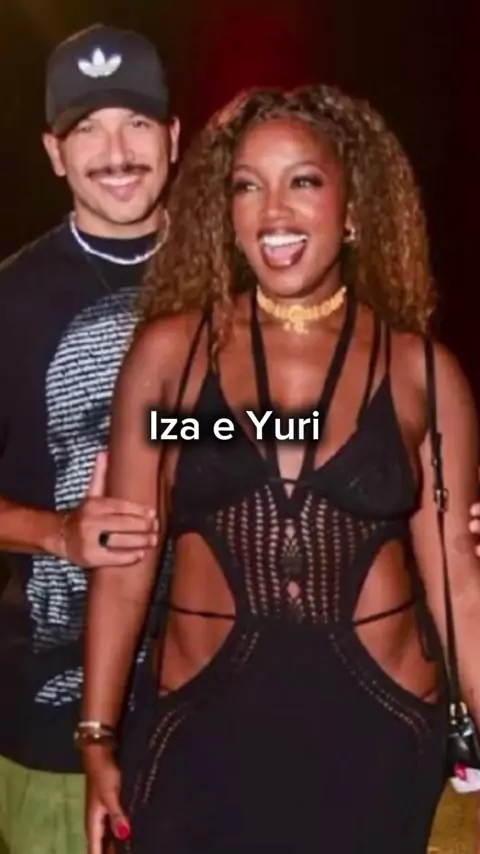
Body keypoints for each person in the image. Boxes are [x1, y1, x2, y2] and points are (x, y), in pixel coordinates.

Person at [81, 84, 480, 853]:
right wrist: (97, 734)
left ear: (352, 207)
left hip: (375, 731)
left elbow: (460, 582)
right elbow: (127, 557)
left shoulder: (421, 372)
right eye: (247, 186)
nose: (273, 211)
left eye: (303, 181)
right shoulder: (171, 356)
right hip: (203, 731)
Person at [0, 22, 179, 854]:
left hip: (221, 713)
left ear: (173, 137)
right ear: (53, 151)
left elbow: (297, 433)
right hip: (52, 726)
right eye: (87, 129)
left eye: (136, 123)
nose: (116, 153)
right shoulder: (12, 301)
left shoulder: (236, 280)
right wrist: (57, 532)